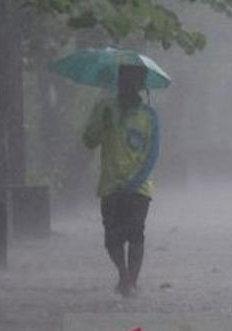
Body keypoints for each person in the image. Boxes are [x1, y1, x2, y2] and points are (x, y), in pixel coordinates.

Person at [82, 63, 161, 298]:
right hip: (110, 185)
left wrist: (134, 184)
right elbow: (88, 140)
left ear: (140, 85)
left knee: (136, 233)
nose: (127, 86)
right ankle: (123, 274)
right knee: (112, 237)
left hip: (139, 187)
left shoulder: (149, 116)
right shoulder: (105, 108)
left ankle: (131, 282)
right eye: (123, 80)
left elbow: (152, 154)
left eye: (133, 81)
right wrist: (102, 123)